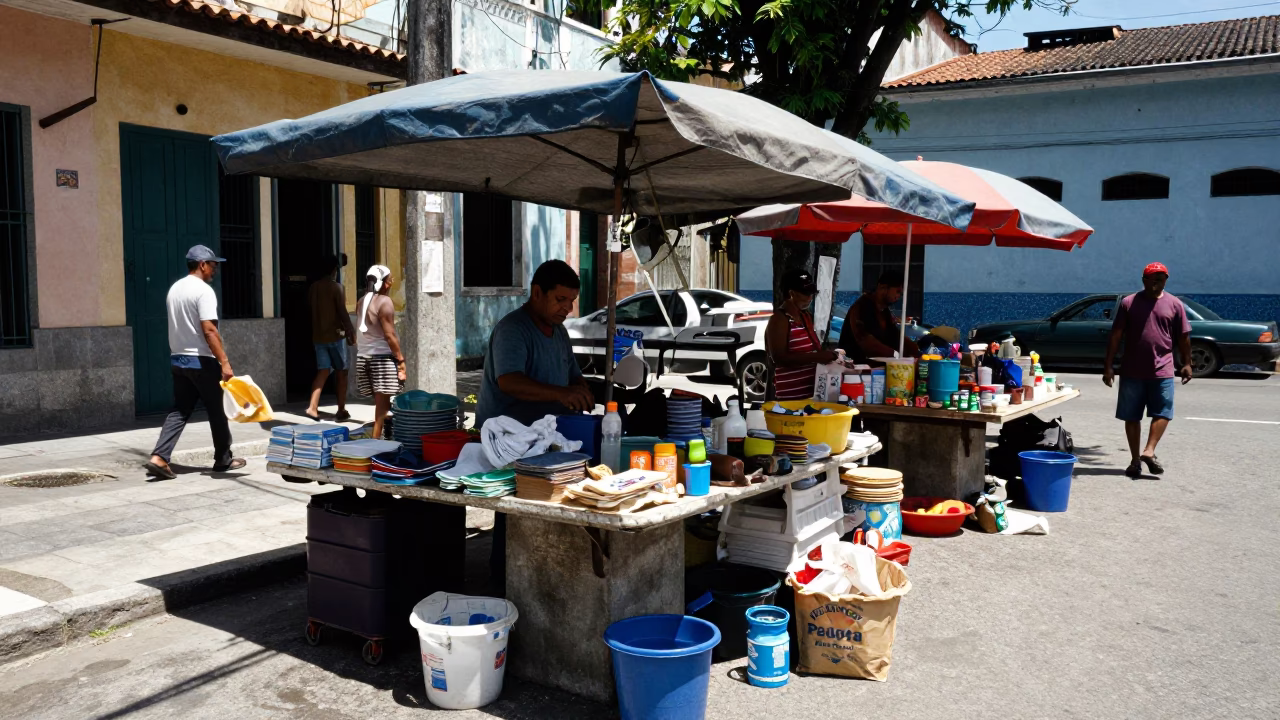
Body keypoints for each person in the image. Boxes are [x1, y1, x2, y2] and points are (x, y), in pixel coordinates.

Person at [145, 245, 247, 479]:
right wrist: (224, 362)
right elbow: (209, 329)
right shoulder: (203, 291)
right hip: (201, 361)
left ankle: (159, 457)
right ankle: (223, 460)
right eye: (213, 265)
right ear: (202, 264)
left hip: (178, 359)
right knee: (218, 409)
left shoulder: (175, 289)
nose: (215, 270)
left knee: (180, 409)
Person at [475, 259, 595, 428]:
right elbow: (509, 382)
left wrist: (582, 392)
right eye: (560, 299)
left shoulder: (559, 331)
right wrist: (562, 394)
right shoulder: (512, 329)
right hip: (505, 439)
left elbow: (573, 375)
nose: (568, 308)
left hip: (546, 434)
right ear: (537, 293)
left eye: (572, 300)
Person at [1103, 262, 1192, 478]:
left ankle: (1149, 451)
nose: (1157, 282)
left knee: (1163, 412)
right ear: (1144, 280)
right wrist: (1108, 366)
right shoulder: (1129, 303)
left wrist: (1187, 363)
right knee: (1131, 416)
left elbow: (1183, 336)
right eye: (1153, 278)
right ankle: (1135, 460)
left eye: (1161, 278)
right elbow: (1116, 335)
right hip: (1132, 370)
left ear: (1166, 281)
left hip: (1162, 370)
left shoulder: (1175, 304)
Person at [765, 267, 837, 400]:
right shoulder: (779, 319)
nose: (810, 298)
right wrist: (816, 357)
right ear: (791, 293)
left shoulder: (805, 316)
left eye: (811, 293)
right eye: (805, 294)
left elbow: (811, 348)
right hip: (790, 397)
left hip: (810, 394)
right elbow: (779, 358)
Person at [356, 265, 405, 440]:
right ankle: (376, 441)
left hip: (364, 357)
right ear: (383, 283)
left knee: (380, 404)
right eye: (390, 279)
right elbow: (389, 335)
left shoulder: (361, 301)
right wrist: (400, 361)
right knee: (382, 407)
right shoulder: (385, 302)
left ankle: (381, 437)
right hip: (382, 359)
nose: (392, 282)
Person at [306, 255, 357, 422]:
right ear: (334, 270)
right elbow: (342, 312)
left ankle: (313, 407)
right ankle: (341, 409)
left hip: (318, 337)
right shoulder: (337, 288)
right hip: (335, 336)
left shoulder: (313, 288)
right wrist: (350, 331)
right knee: (341, 372)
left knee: (323, 371)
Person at [837, 270, 921, 363]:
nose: (898, 296)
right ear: (883, 287)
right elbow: (867, 343)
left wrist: (917, 352)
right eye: (897, 291)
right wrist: (895, 355)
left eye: (900, 294)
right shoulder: (862, 306)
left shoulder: (884, 311)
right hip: (854, 366)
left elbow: (895, 336)